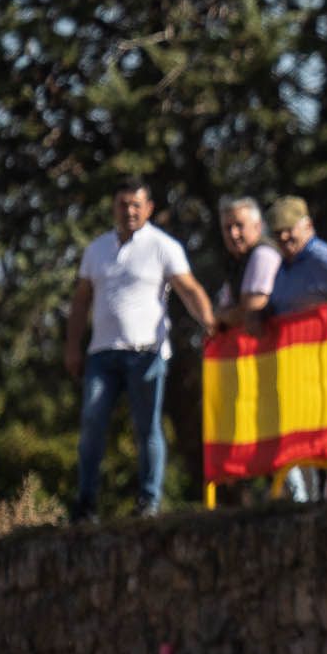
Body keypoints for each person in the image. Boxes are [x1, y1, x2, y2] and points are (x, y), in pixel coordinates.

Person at [66, 179, 214, 522]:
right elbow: (80, 302)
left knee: (147, 427)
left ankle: (149, 501)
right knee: (91, 422)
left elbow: (188, 288)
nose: (129, 211)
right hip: (102, 353)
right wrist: (72, 346)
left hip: (145, 352)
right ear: (114, 207)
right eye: (123, 204)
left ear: (149, 209)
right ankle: (85, 503)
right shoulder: (97, 249)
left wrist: (209, 321)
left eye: (136, 204)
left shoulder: (164, 247)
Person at [212, 196, 279, 335]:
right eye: (227, 228)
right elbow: (220, 312)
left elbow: (251, 313)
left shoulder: (263, 255)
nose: (233, 234)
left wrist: (221, 316)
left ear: (258, 226)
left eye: (239, 225)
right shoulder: (236, 261)